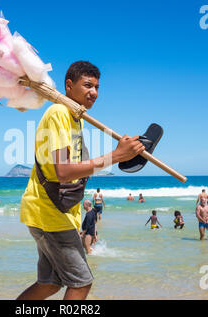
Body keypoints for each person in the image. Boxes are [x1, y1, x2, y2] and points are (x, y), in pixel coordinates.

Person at [17, 61, 145, 301]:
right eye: (87, 85)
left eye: (97, 87)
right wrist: (117, 156)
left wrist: (126, 152)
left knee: (50, 284)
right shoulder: (59, 113)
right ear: (69, 85)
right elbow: (63, 171)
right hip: (49, 214)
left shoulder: (76, 118)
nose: (93, 92)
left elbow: (73, 171)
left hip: (53, 213)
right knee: (81, 283)